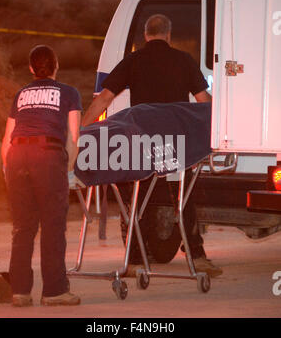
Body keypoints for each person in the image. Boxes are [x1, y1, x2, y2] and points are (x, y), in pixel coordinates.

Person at [82, 14, 222, 277]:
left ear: (146, 35)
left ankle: (135, 260)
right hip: (174, 148)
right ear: (168, 35)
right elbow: (204, 101)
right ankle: (198, 256)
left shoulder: (133, 61)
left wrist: (82, 132)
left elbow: (103, 100)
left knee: (136, 198)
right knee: (184, 197)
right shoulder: (184, 61)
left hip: (144, 147)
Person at [1, 45, 82, 306]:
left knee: (22, 227)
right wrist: (66, 170)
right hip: (47, 154)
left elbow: (7, 139)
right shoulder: (69, 93)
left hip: (17, 155)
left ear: (31, 68)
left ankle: (20, 291)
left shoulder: (20, 94)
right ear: (56, 65)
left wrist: (7, 170)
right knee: (52, 224)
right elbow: (73, 137)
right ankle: (55, 291)